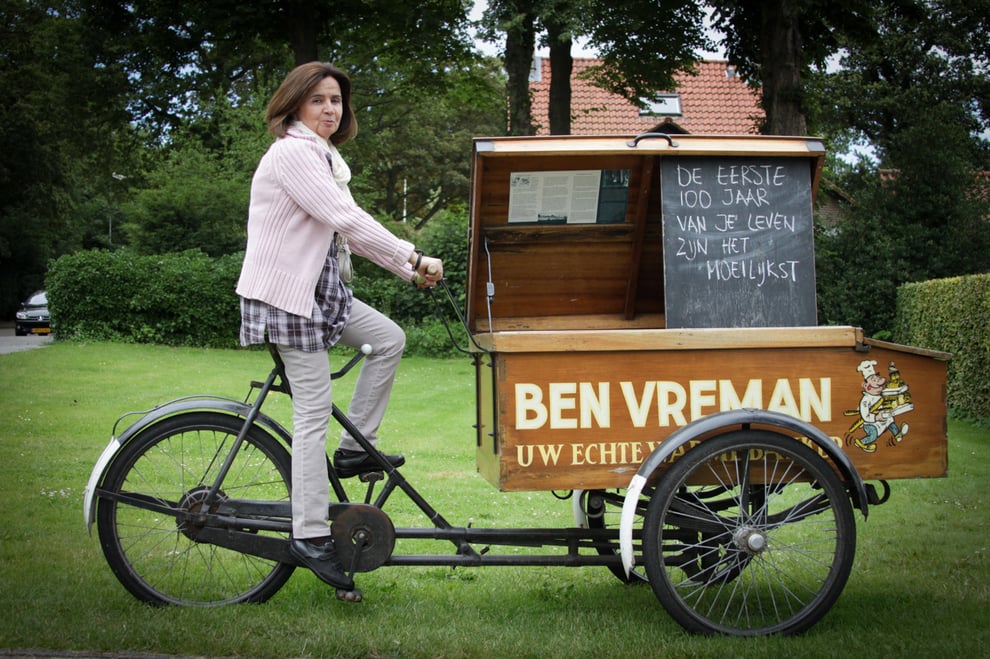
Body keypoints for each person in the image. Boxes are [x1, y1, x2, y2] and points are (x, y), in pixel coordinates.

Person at [236, 62, 443, 594]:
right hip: (288, 299)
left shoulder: (323, 155)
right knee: (311, 414)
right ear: (294, 107)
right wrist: (413, 256)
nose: (330, 109)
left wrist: (406, 269)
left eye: (336, 100)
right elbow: (346, 219)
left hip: (320, 294)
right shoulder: (293, 153)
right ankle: (308, 535)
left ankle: (355, 449)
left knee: (389, 338)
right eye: (318, 100)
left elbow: (347, 229)